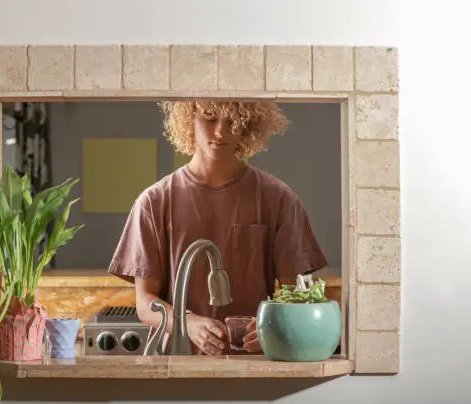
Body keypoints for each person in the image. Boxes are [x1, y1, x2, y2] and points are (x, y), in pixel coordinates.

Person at [108, 100, 328, 356]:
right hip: (178, 362)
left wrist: (275, 326)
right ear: (189, 121)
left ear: (248, 126)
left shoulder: (278, 198)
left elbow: (298, 293)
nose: (220, 132)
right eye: (210, 119)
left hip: (254, 365)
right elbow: (145, 304)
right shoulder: (154, 202)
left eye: (233, 122)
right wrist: (187, 322)